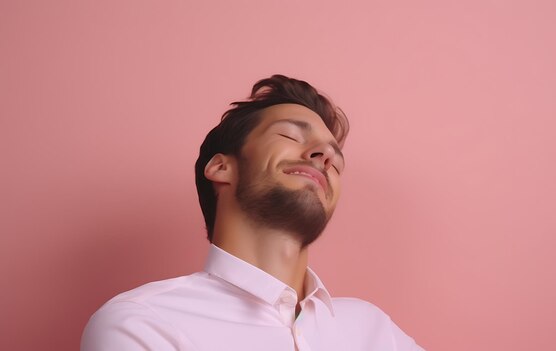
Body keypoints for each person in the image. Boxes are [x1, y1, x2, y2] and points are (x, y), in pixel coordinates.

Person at [81, 75, 424, 350]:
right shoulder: (142, 323)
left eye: (337, 160)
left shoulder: (373, 328)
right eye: (290, 135)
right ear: (221, 167)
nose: (325, 155)